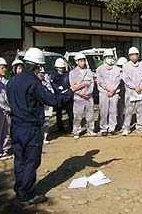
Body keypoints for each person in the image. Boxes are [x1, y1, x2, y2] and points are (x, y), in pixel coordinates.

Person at [6, 47, 84, 205]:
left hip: (16, 126)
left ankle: (20, 188)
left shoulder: (12, 80)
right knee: (31, 161)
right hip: (30, 127)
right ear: (37, 65)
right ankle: (26, 194)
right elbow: (54, 101)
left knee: (19, 159)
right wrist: (71, 90)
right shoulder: (33, 82)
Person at [121, 47, 142, 136]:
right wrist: (134, 87)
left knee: (140, 110)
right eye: (132, 55)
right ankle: (126, 128)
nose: (134, 57)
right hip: (130, 91)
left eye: (135, 55)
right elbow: (125, 78)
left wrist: (140, 86)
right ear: (129, 56)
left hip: (140, 91)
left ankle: (140, 127)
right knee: (129, 110)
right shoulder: (126, 66)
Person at [69, 53, 96, 138]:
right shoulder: (72, 73)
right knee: (77, 116)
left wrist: (88, 93)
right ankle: (76, 131)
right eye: (81, 61)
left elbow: (92, 83)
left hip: (89, 97)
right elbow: (73, 86)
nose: (83, 62)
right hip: (78, 98)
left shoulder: (89, 71)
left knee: (90, 115)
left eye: (84, 60)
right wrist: (81, 94)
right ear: (77, 62)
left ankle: (90, 130)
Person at [96, 49, 121, 136]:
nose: (110, 59)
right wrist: (108, 89)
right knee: (104, 111)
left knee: (113, 111)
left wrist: (113, 89)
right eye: (108, 57)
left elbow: (118, 80)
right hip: (104, 93)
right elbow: (100, 81)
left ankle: (112, 128)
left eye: (111, 57)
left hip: (114, 93)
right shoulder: (99, 69)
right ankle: (103, 128)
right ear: (104, 58)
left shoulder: (117, 69)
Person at [50, 58, 73, 133]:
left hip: (68, 97)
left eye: (62, 67)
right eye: (59, 68)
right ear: (56, 68)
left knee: (70, 113)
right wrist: (60, 91)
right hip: (59, 97)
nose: (61, 69)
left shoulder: (67, 74)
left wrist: (68, 91)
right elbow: (54, 86)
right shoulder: (54, 76)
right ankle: (60, 128)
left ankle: (72, 127)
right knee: (59, 114)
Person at [37, 67, 54, 144]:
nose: (42, 75)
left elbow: (51, 92)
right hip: (38, 107)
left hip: (47, 106)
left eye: (43, 73)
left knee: (46, 123)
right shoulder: (35, 83)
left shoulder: (46, 83)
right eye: (40, 73)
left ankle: (44, 137)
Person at [116, 57, 128, 130]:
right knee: (119, 109)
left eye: (121, 66)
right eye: (119, 66)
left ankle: (125, 123)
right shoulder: (116, 72)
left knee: (126, 109)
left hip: (126, 92)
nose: (120, 68)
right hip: (118, 92)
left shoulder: (128, 72)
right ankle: (119, 123)